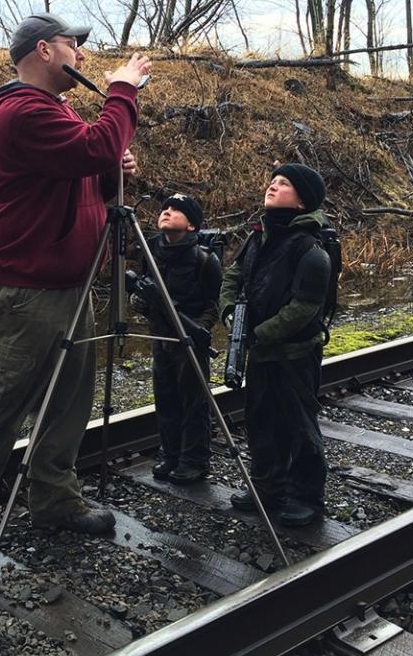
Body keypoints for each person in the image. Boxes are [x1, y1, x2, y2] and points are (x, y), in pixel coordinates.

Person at [0, 13, 151, 562]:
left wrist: (110, 167)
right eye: (75, 46)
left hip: (68, 285)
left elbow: (89, 169)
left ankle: (53, 498)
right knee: (3, 401)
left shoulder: (57, 113)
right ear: (46, 50)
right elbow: (93, 147)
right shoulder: (23, 111)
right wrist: (122, 89)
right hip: (25, 289)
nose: (82, 58)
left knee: (68, 401)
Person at [218, 163, 331, 527]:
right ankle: (268, 487)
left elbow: (305, 307)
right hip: (260, 350)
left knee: (297, 423)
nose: (273, 186)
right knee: (260, 420)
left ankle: (306, 497)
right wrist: (228, 314)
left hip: (295, 353)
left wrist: (259, 333)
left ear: (302, 201)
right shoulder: (259, 235)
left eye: (284, 184)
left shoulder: (312, 247)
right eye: (272, 181)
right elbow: (233, 276)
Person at [132, 194, 222, 484]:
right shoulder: (150, 252)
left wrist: (197, 330)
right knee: (165, 397)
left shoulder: (205, 260)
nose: (168, 212)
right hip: (160, 337)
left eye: (177, 211)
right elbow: (140, 295)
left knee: (194, 401)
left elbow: (213, 305)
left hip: (190, 340)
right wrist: (141, 302)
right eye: (165, 209)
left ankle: (194, 459)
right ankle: (170, 453)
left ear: (192, 226)